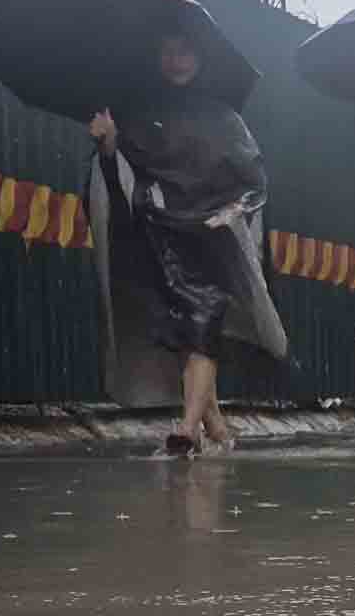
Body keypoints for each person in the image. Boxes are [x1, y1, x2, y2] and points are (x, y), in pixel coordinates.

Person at [87, 31, 288, 458]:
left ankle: (185, 429)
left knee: (201, 327)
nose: (178, 60)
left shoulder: (225, 118)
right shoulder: (138, 113)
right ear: (158, 56)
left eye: (186, 51)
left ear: (201, 58)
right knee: (189, 332)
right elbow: (121, 180)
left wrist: (234, 213)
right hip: (161, 237)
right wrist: (107, 142)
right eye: (169, 50)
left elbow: (255, 182)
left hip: (213, 236)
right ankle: (213, 427)